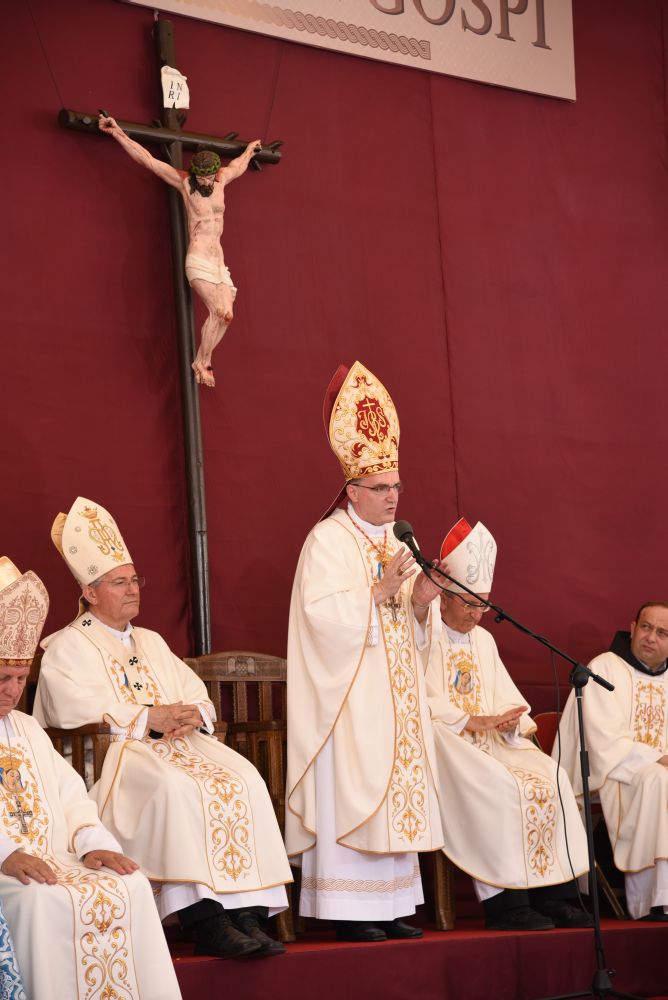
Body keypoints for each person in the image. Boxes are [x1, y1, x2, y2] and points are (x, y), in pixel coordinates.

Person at [33, 498, 292, 959]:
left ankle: (249, 914)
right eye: (119, 582)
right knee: (176, 788)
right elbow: (68, 709)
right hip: (116, 758)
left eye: (135, 580)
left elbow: (193, 691)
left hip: (182, 746)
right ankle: (205, 919)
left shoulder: (150, 640)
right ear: (90, 592)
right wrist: (147, 717)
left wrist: (195, 713)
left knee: (244, 778)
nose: (132, 590)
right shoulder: (67, 646)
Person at [286, 360, 445, 943]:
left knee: (394, 791)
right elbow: (318, 620)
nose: (392, 497)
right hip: (348, 699)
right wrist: (375, 595)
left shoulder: (402, 539)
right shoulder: (327, 539)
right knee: (355, 788)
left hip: (397, 697)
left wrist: (421, 601)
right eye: (381, 488)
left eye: (396, 486)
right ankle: (347, 910)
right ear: (352, 490)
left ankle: (392, 904)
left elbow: (413, 627)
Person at [0, 557, 182, 1000]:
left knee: (131, 884)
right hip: (9, 867)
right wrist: (6, 854)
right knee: (39, 899)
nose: (14, 690)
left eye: (21, 678)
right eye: (3, 677)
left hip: (55, 858)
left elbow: (71, 796)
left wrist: (92, 843)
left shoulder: (26, 727)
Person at [426, 518, 590, 930]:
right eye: (468, 604)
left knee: (552, 777)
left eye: (483, 605)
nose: (476, 615)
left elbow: (506, 696)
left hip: (496, 743)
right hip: (450, 742)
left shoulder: (484, 640)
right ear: (442, 597)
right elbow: (416, 698)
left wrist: (508, 721)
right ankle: (506, 905)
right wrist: (471, 720)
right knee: (501, 786)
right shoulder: (422, 634)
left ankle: (556, 897)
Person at [98, 114, 261, 388]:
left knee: (227, 316)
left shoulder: (221, 180)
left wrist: (250, 151)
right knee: (218, 311)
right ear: (195, 174)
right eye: (202, 177)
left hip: (218, 262)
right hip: (198, 259)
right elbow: (148, 161)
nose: (205, 182)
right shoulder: (186, 184)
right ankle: (204, 362)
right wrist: (118, 133)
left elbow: (239, 165)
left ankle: (202, 360)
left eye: (209, 177)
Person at [555, 601, 668, 920]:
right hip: (611, 771)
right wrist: (658, 758)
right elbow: (603, 739)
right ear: (632, 629)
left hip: (649, 771)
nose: (651, 637)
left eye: (662, 633)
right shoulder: (604, 668)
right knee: (658, 779)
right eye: (646, 627)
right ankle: (653, 899)